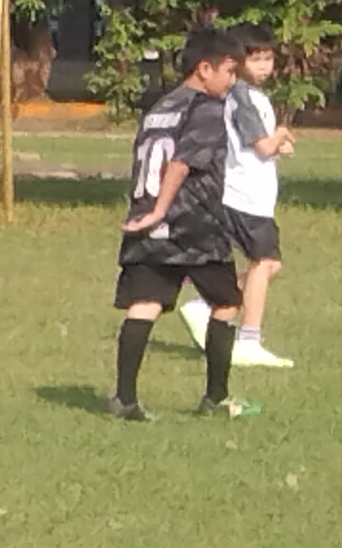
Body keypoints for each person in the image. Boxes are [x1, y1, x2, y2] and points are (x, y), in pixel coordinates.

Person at [110, 25, 250, 421]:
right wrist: (162, 209)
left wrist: (147, 212)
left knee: (145, 303)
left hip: (145, 221)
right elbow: (180, 162)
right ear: (204, 69)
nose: (232, 80)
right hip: (193, 220)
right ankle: (216, 398)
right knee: (226, 302)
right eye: (229, 71)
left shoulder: (160, 106)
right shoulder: (206, 107)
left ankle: (124, 399)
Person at [183, 26, 297, 369]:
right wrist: (279, 135)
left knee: (270, 263)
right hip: (245, 195)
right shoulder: (244, 97)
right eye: (255, 59)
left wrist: (276, 145)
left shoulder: (245, 96)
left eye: (268, 59)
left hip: (253, 193)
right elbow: (261, 145)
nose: (264, 66)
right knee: (263, 263)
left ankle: (205, 305)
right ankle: (249, 338)